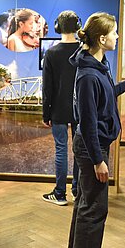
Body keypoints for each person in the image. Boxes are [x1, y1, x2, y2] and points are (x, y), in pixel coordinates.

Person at [68, 12, 125, 248]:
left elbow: (104, 96)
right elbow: (87, 121)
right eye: (114, 33)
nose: (117, 36)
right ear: (102, 38)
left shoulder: (98, 65)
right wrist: (99, 161)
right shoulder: (88, 74)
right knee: (95, 208)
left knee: (86, 203)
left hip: (94, 144)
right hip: (92, 147)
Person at [41, 10, 81, 206]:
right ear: (78, 26)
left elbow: (47, 87)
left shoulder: (51, 53)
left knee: (61, 151)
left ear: (57, 27)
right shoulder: (84, 51)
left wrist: (45, 113)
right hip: (80, 110)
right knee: (79, 151)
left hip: (58, 110)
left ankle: (59, 193)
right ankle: (77, 191)